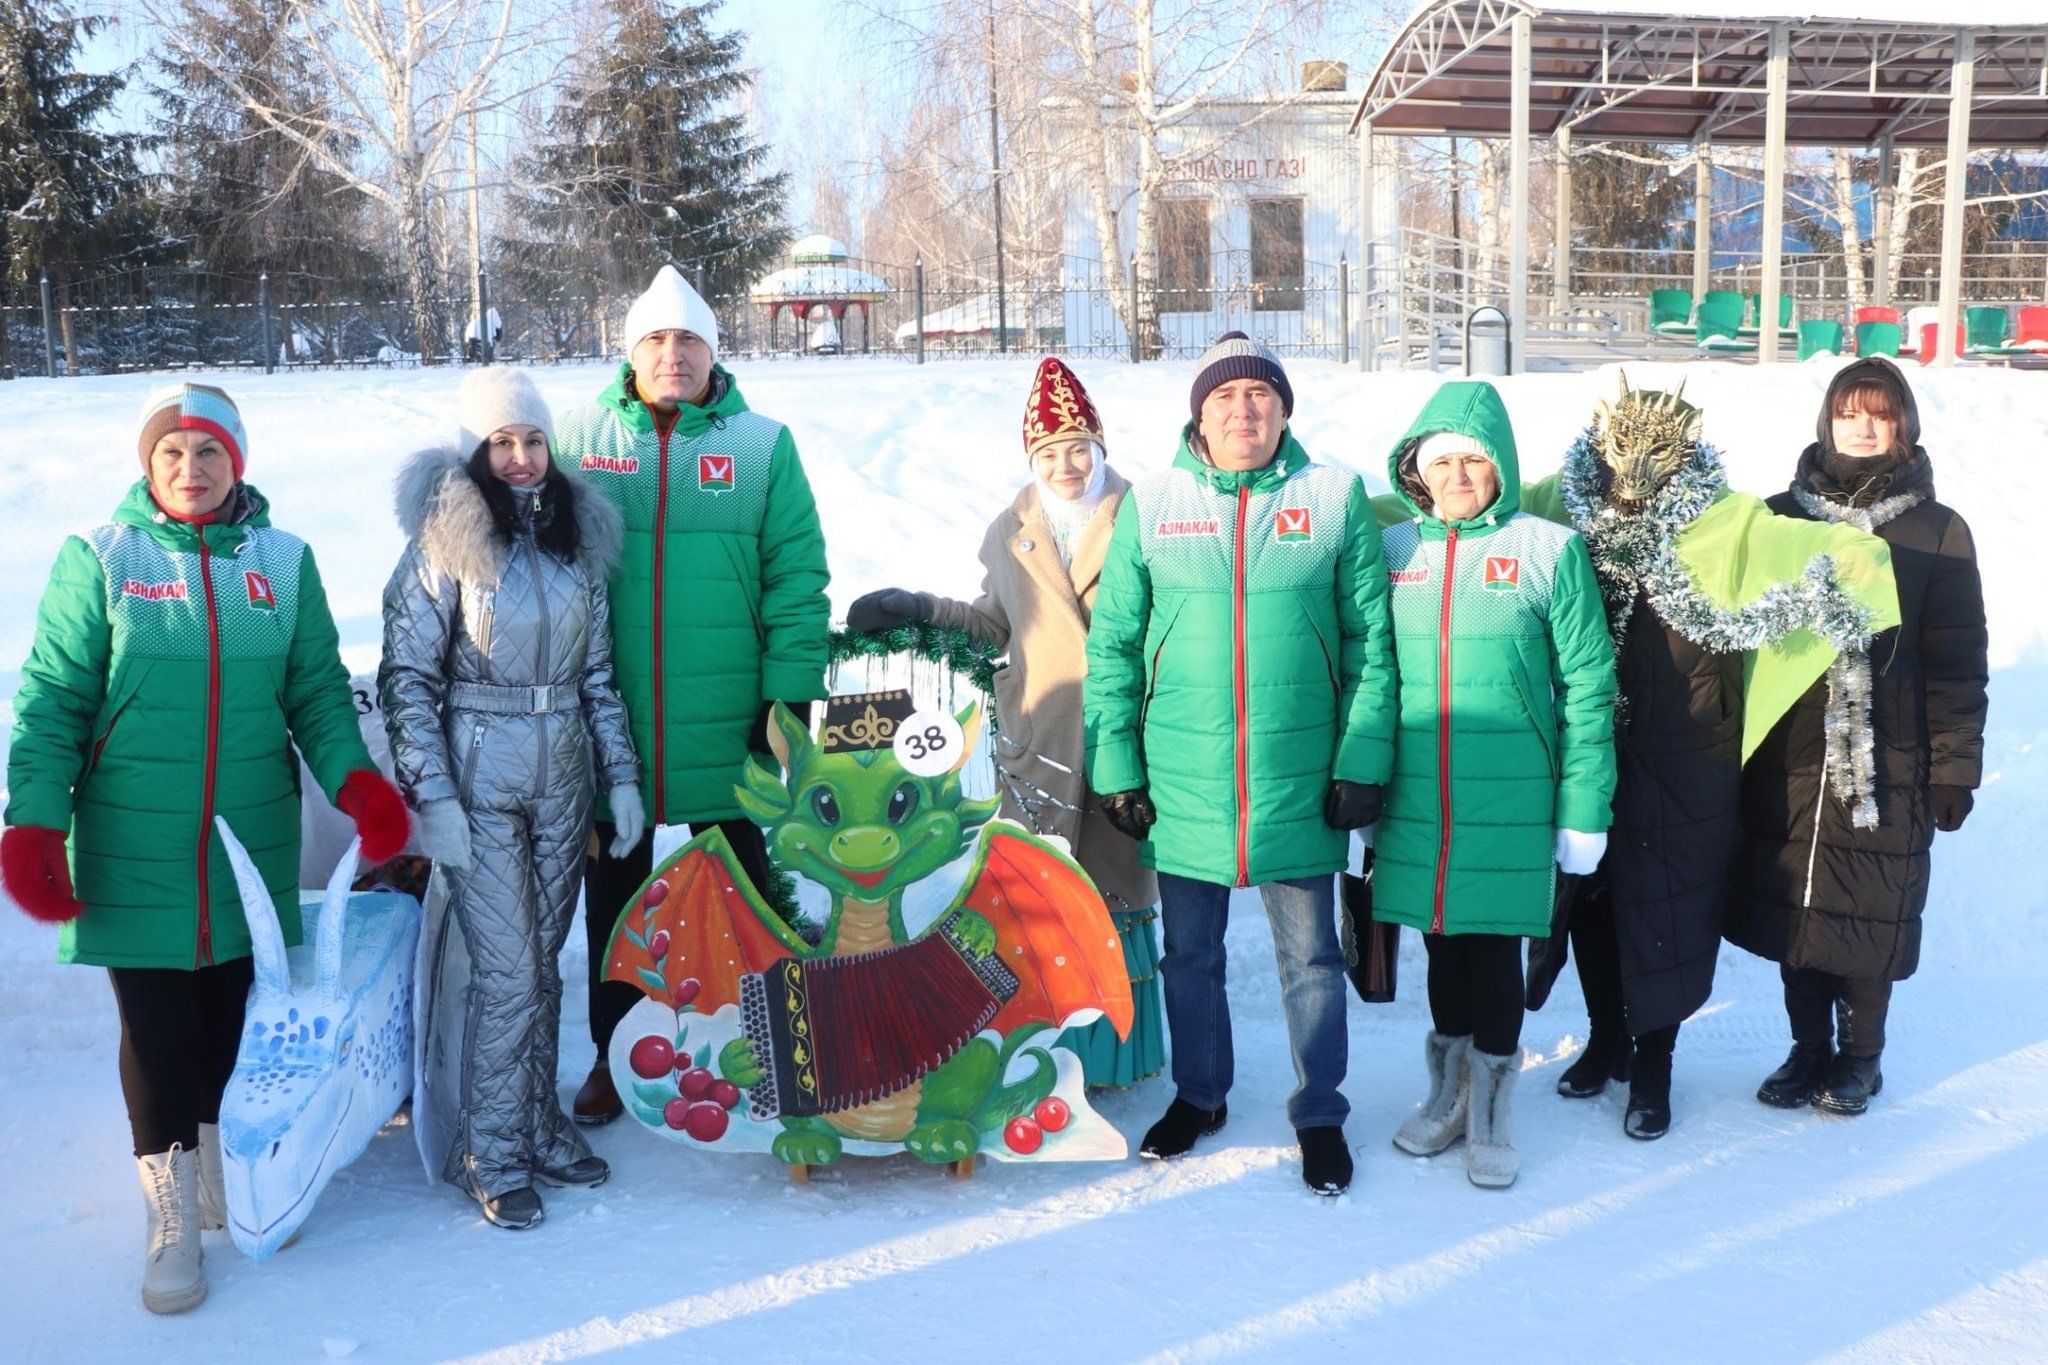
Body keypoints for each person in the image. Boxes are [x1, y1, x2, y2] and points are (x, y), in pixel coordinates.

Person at [2, 383, 408, 1313]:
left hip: (247, 838)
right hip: (131, 836)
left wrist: (357, 784)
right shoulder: (100, 558)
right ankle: (170, 1211)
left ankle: (226, 1173)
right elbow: (54, 698)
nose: (192, 469)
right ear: (148, 463)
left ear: (240, 462)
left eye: (211, 452)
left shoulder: (283, 561)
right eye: (173, 452)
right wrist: (33, 821)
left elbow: (314, 695)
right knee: (155, 1028)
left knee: (233, 1011)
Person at [1516, 375, 1897, 1139]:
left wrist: (1865, 559)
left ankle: (1653, 1067)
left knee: (1667, 909)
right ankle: (1607, 1040)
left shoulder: (1723, 519)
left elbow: (1823, 550)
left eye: (1654, 448)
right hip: (1589, 739)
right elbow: (1480, 503)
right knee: (1588, 899)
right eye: (1618, 446)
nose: (1634, 465)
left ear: (1682, 449)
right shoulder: (1567, 504)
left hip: (1689, 748)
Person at [1084, 332, 1396, 1195]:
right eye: (1225, 397)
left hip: (1300, 777)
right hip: (1183, 778)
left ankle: (1321, 1109)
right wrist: (1116, 766)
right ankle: (1200, 1094)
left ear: (1285, 409)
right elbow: (1113, 645)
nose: (1244, 410)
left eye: (1260, 394)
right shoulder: (1152, 505)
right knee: (1191, 955)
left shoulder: (1333, 501)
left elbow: (1373, 644)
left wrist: (1361, 756)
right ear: (1200, 413)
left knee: (1314, 959)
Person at [552, 266, 831, 1124]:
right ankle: (612, 1055)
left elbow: (798, 578)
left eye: (689, 340)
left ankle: (772, 1052)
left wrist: (786, 700)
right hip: (614, 723)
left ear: (715, 349)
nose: (672, 356)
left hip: (728, 723)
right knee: (617, 905)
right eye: (655, 340)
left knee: (746, 893)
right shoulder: (576, 438)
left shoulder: (760, 445)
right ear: (630, 351)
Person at [846, 356, 1165, 1088]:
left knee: (1118, 898)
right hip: (1041, 739)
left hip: (1124, 740)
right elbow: (995, 624)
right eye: (1050, 452)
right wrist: (918, 608)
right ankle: (1041, 1060)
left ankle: (1118, 1058)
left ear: (1101, 446)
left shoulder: (1142, 515)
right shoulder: (1011, 528)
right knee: (1044, 898)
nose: (1067, 464)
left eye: (1079, 446)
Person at [380, 368, 642, 1229]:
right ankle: (486, 1149)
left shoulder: (576, 537)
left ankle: (538, 1120)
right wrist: (434, 798)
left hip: (563, 768)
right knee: (505, 969)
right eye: (502, 442)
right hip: (480, 768)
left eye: (532, 440)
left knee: (544, 959)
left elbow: (598, 674)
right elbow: (410, 681)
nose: (521, 457)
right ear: (475, 450)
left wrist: (623, 776)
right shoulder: (443, 541)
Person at [1725, 357, 1986, 1116]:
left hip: (1889, 759)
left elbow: (1958, 661)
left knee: (1870, 912)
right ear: (1826, 421)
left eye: (1879, 412)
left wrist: (1954, 768)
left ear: (1903, 423)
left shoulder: (1937, 531)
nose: (1863, 426)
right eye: (1848, 412)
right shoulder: (1778, 517)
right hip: (1791, 752)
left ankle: (1861, 1058)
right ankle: (1808, 1049)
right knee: (1798, 909)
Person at [1374, 382, 1615, 1189]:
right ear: (1418, 470)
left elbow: (1587, 684)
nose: (1459, 475)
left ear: (1501, 465)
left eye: (1475, 459)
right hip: (1417, 793)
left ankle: (1492, 1108)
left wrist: (1583, 810)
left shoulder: (1549, 549)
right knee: (1440, 941)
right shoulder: (1393, 550)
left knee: (1493, 948)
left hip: (1511, 794)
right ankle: (1448, 1092)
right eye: (1443, 462)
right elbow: (1370, 675)